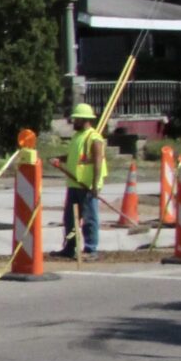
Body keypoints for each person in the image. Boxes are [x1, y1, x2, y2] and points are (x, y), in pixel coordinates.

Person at [53, 104, 109, 260]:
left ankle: (91, 249)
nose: (74, 122)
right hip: (74, 183)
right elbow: (74, 156)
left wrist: (95, 185)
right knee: (70, 219)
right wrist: (60, 159)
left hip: (87, 186)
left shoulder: (94, 138)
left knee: (89, 219)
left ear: (84, 119)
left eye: (76, 119)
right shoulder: (77, 137)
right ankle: (70, 247)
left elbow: (98, 162)